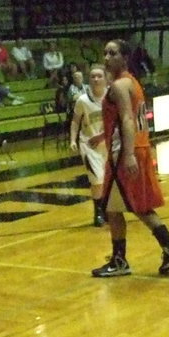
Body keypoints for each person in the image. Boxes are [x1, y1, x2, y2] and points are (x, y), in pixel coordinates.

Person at [92, 39, 169, 278]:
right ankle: (163, 247)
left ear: (124, 58)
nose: (106, 57)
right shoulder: (133, 83)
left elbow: (126, 119)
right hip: (139, 147)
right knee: (124, 205)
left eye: (112, 53)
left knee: (123, 206)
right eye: (105, 52)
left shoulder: (119, 86)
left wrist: (128, 154)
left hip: (125, 151)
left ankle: (159, 248)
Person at [70, 64, 110, 227]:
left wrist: (103, 136)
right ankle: (98, 212)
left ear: (106, 79)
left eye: (99, 76)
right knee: (96, 180)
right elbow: (75, 121)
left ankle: (108, 209)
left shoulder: (112, 97)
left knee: (108, 179)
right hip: (88, 144)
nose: (96, 79)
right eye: (93, 76)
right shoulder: (82, 100)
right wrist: (72, 139)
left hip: (107, 142)